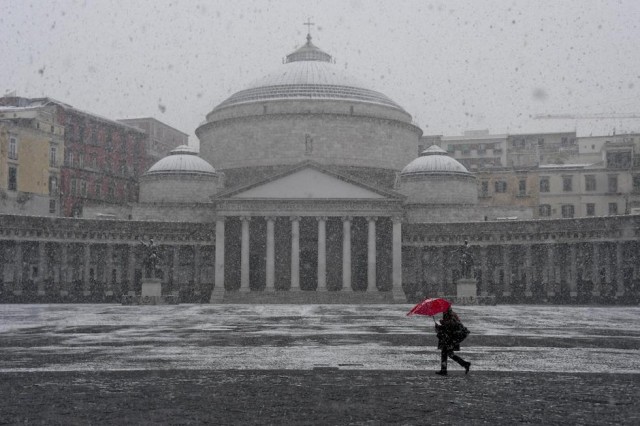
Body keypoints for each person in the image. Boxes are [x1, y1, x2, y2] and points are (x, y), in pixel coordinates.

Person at [434, 307, 471, 376]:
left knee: (447, 353)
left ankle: (445, 370)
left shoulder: (451, 315)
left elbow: (452, 325)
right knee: (447, 353)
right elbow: (448, 326)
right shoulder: (448, 314)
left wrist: (442, 323)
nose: (442, 310)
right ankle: (445, 370)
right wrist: (439, 326)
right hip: (449, 338)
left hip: (451, 338)